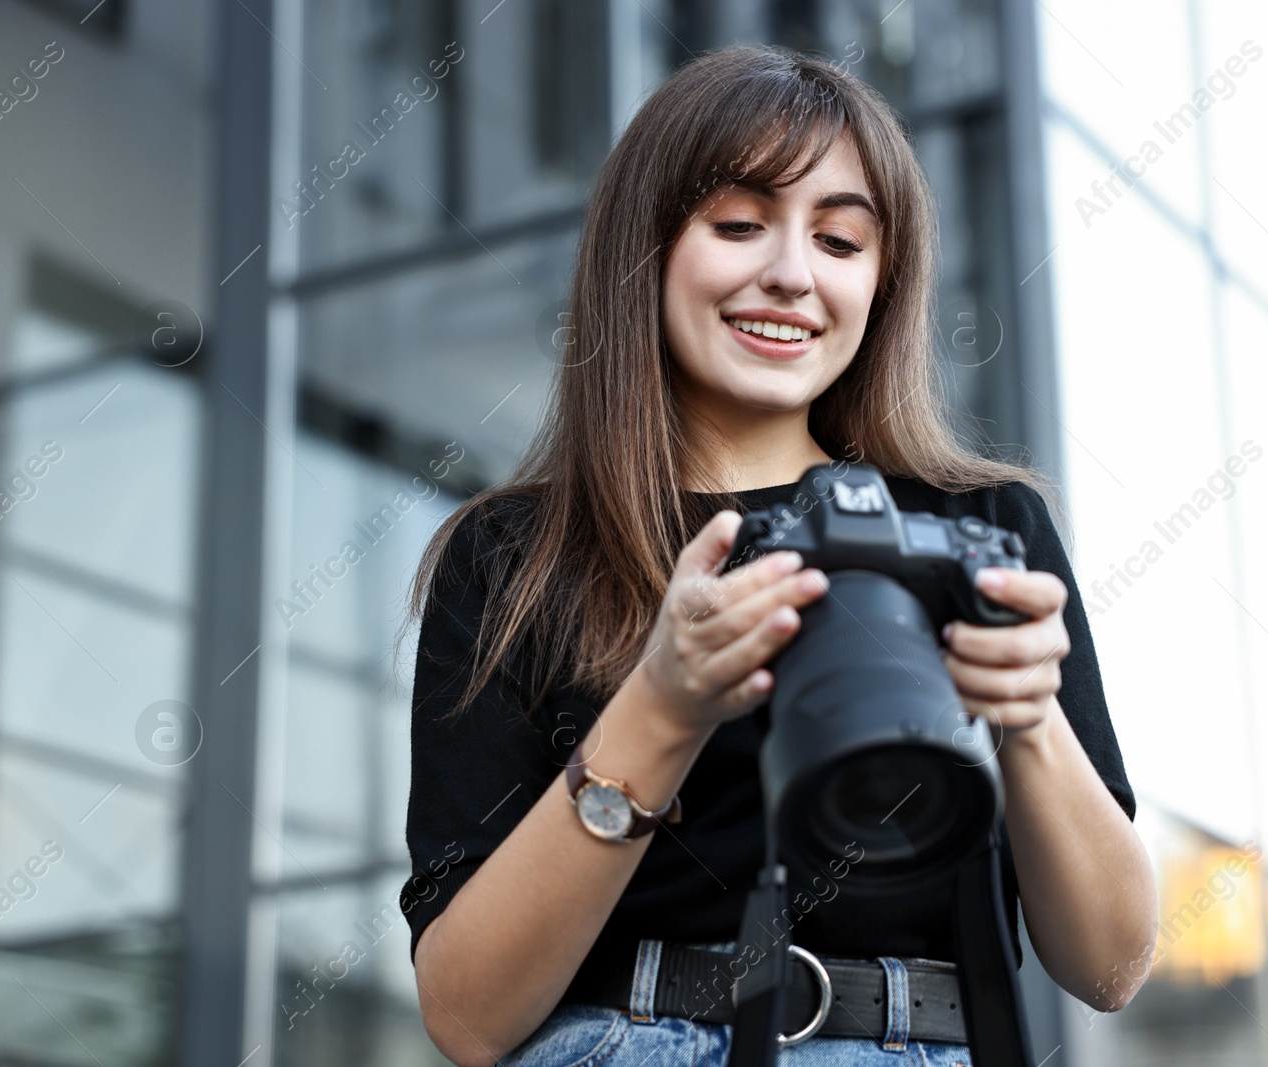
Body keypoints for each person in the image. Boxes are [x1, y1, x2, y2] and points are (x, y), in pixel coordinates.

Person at [399, 44, 1157, 1067]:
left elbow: (1109, 965)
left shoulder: (979, 528)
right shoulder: (514, 556)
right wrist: (663, 706)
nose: (792, 273)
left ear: (883, 280)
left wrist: (1021, 717)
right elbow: (467, 1014)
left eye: (841, 240)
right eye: (739, 224)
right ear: (648, 248)